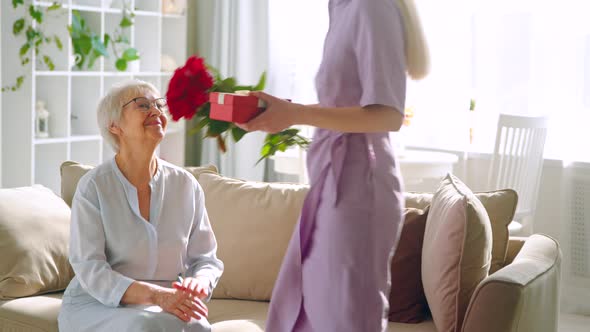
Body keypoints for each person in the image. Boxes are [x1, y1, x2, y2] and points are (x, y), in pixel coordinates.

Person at [238, 0, 429, 330]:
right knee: (305, 308)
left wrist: (296, 114)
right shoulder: (341, 6)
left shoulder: (373, 7)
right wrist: (285, 112)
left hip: (360, 188)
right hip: (331, 183)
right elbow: (344, 103)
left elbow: (388, 114)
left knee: (343, 316)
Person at [58, 80, 224, 332]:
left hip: (166, 302)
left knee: (197, 327)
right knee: (146, 326)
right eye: (143, 105)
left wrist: (199, 282)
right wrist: (157, 296)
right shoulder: (94, 187)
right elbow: (90, 268)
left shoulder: (185, 185)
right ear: (114, 126)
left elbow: (205, 259)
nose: (156, 111)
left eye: (159, 105)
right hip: (98, 302)